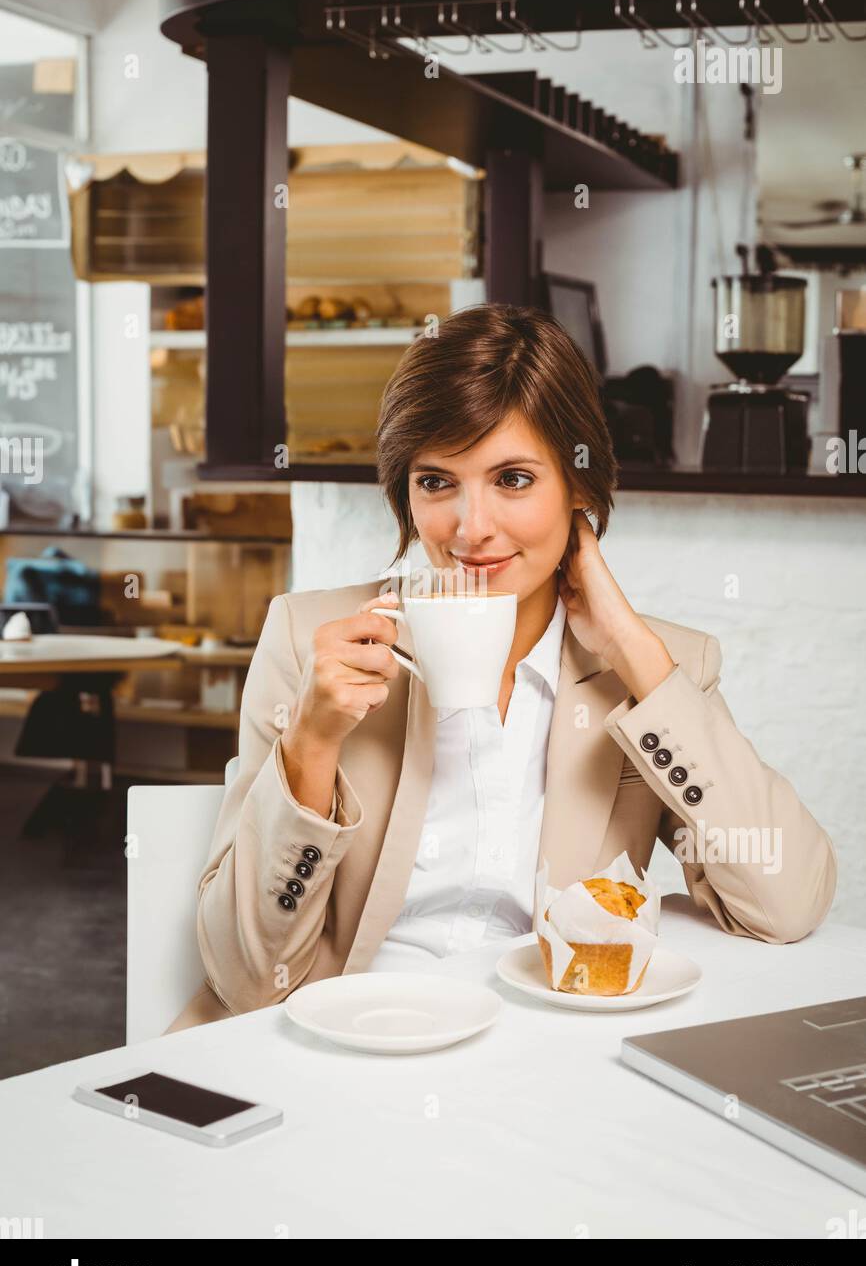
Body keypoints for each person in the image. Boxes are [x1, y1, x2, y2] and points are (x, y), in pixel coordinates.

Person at [165, 304, 837, 1032]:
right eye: (436, 482)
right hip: (344, 1039)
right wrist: (312, 745)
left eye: (513, 479)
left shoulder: (653, 670)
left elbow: (784, 904)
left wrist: (632, 648)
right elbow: (246, 978)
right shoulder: (311, 643)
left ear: (579, 486)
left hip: (544, 1048)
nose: (470, 528)